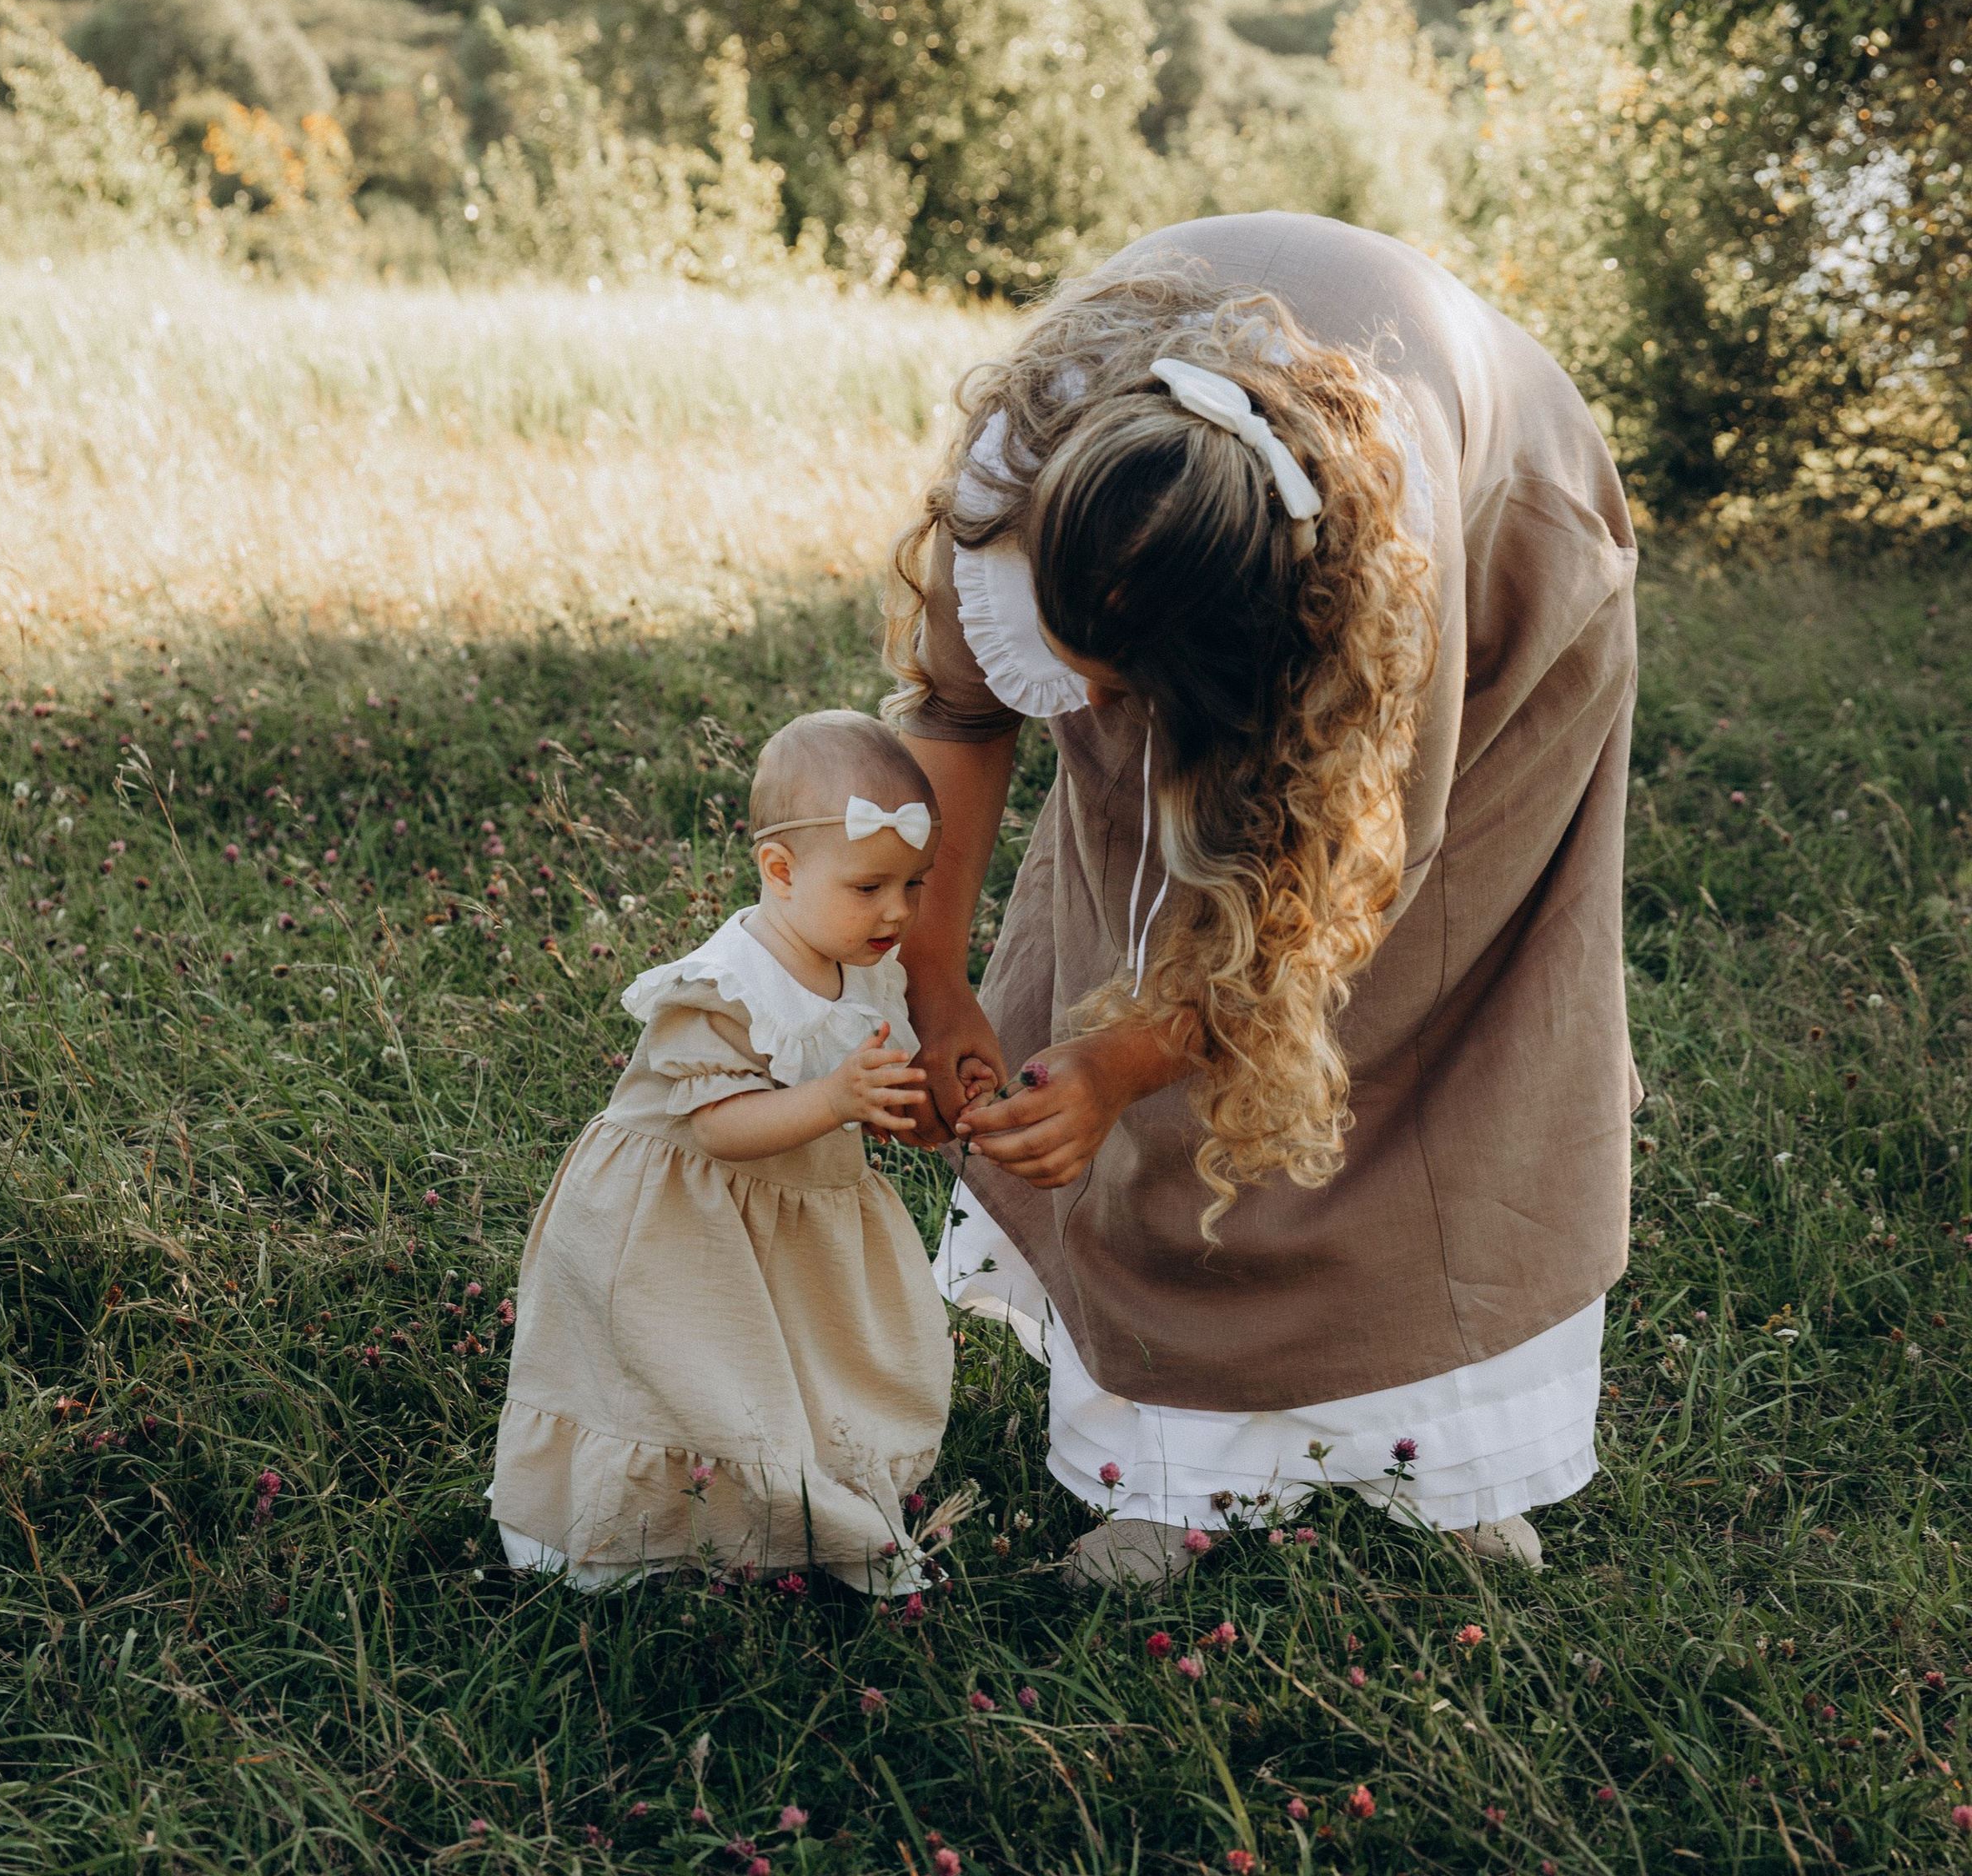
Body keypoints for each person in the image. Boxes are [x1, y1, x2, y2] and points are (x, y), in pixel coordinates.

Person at [888, 213, 1638, 1588]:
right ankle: (1168, 1468)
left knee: (1419, 991)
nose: (1100, 715)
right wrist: (935, 976)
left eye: (1129, 689)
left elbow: (1326, 901)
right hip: (1190, 548)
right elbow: (957, 707)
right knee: (1133, 892)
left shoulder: (1370, 601)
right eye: (1086, 671)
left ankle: (1446, 1455)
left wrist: (1120, 1065)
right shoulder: (1019, 477)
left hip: (1498, 551)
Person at [489, 709, 953, 1593]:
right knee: (679, 1382)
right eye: (869, 886)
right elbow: (720, 1127)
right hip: (678, 1224)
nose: (896, 909)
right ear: (779, 871)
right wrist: (832, 1098)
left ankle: (807, 1511)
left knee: (805, 1368)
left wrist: (900, 1105)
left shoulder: (865, 964)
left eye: (915, 884)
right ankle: (605, 1534)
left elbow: (855, 1081)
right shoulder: (721, 985)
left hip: (794, 1221)